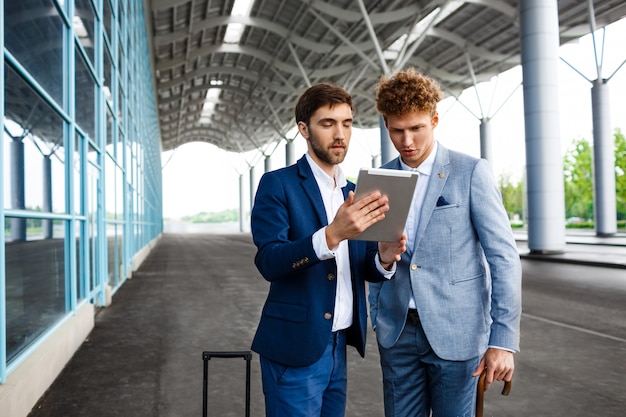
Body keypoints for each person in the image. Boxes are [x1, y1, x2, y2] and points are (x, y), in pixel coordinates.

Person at [369, 67, 522, 417]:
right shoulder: (380, 179)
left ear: (435, 120)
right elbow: (375, 256)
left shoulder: (470, 172)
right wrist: (378, 313)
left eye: (416, 128)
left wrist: (502, 341)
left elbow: (504, 258)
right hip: (397, 334)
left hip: (458, 333)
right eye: (397, 130)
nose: (407, 141)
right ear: (386, 125)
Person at [250, 82, 406, 417]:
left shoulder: (356, 191)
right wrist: (331, 236)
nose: (340, 134)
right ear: (304, 129)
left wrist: (383, 257)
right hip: (295, 347)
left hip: (338, 345)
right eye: (328, 123)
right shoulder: (278, 184)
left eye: (347, 124)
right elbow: (269, 261)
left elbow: (360, 267)